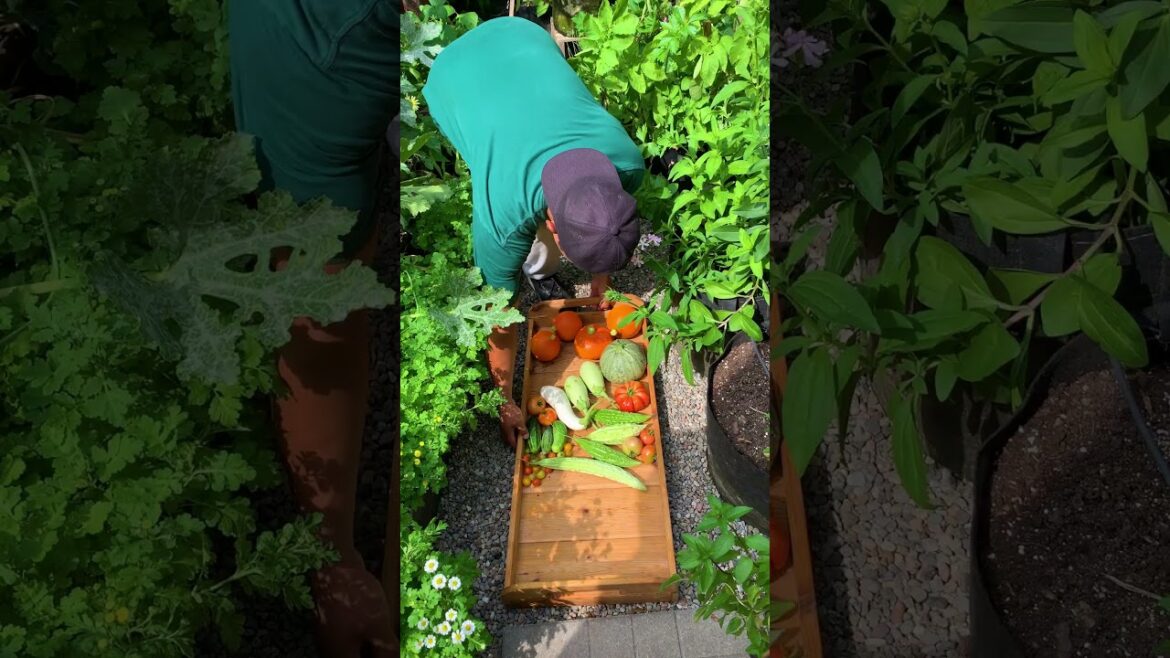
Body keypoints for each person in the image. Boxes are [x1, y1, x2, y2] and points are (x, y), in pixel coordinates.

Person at [228, 1, 399, 656]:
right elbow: (315, 316)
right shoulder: (315, 36)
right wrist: (330, 558)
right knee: (318, 272)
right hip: (330, 37)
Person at [422, 16, 646, 449]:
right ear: (552, 226)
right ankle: (538, 271)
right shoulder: (503, 220)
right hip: (451, 76)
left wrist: (600, 285)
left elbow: (609, 231)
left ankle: (543, 268)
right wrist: (503, 398)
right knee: (525, 258)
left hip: (524, 33)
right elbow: (498, 318)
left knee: (546, 249)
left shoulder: (625, 161)